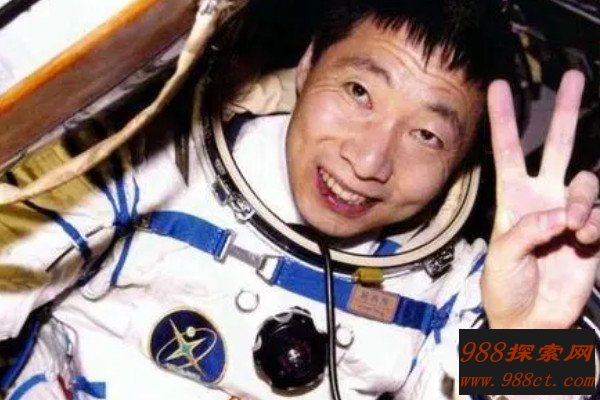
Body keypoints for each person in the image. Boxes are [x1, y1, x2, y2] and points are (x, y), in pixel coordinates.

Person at [0, 0, 598, 399]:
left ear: (461, 163)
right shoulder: (150, 165)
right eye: (359, 92)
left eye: (427, 135)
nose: (369, 162)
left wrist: (531, 339)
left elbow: (572, 372)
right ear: (309, 66)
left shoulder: (454, 289)